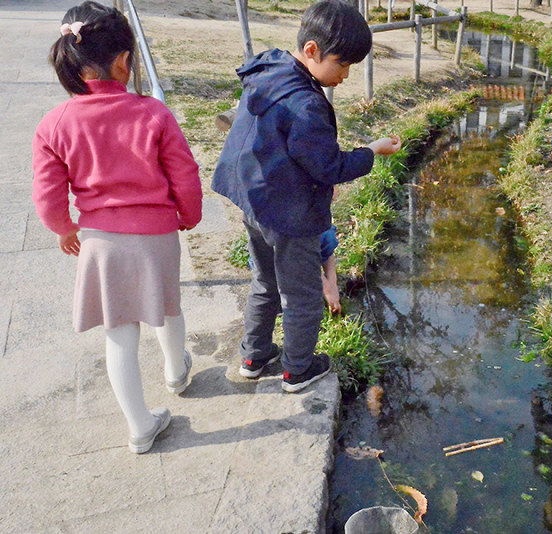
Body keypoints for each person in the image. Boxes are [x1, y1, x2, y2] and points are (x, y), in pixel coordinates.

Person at [32, 1, 202, 454]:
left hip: (101, 243)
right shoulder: (154, 114)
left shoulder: (55, 123)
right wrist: (189, 215)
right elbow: (184, 175)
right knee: (169, 305)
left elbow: (47, 196)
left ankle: (140, 425)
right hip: (157, 235)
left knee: (119, 333)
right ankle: (175, 371)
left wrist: (63, 228)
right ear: (124, 61)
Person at [212, 0, 401, 392]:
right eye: (342, 64)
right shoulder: (307, 104)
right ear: (312, 50)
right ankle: (298, 369)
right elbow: (329, 166)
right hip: (287, 215)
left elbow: (287, 149)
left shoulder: (271, 68)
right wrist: (372, 150)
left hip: (255, 200)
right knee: (302, 293)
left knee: (264, 280)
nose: (345, 76)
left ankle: (253, 356)